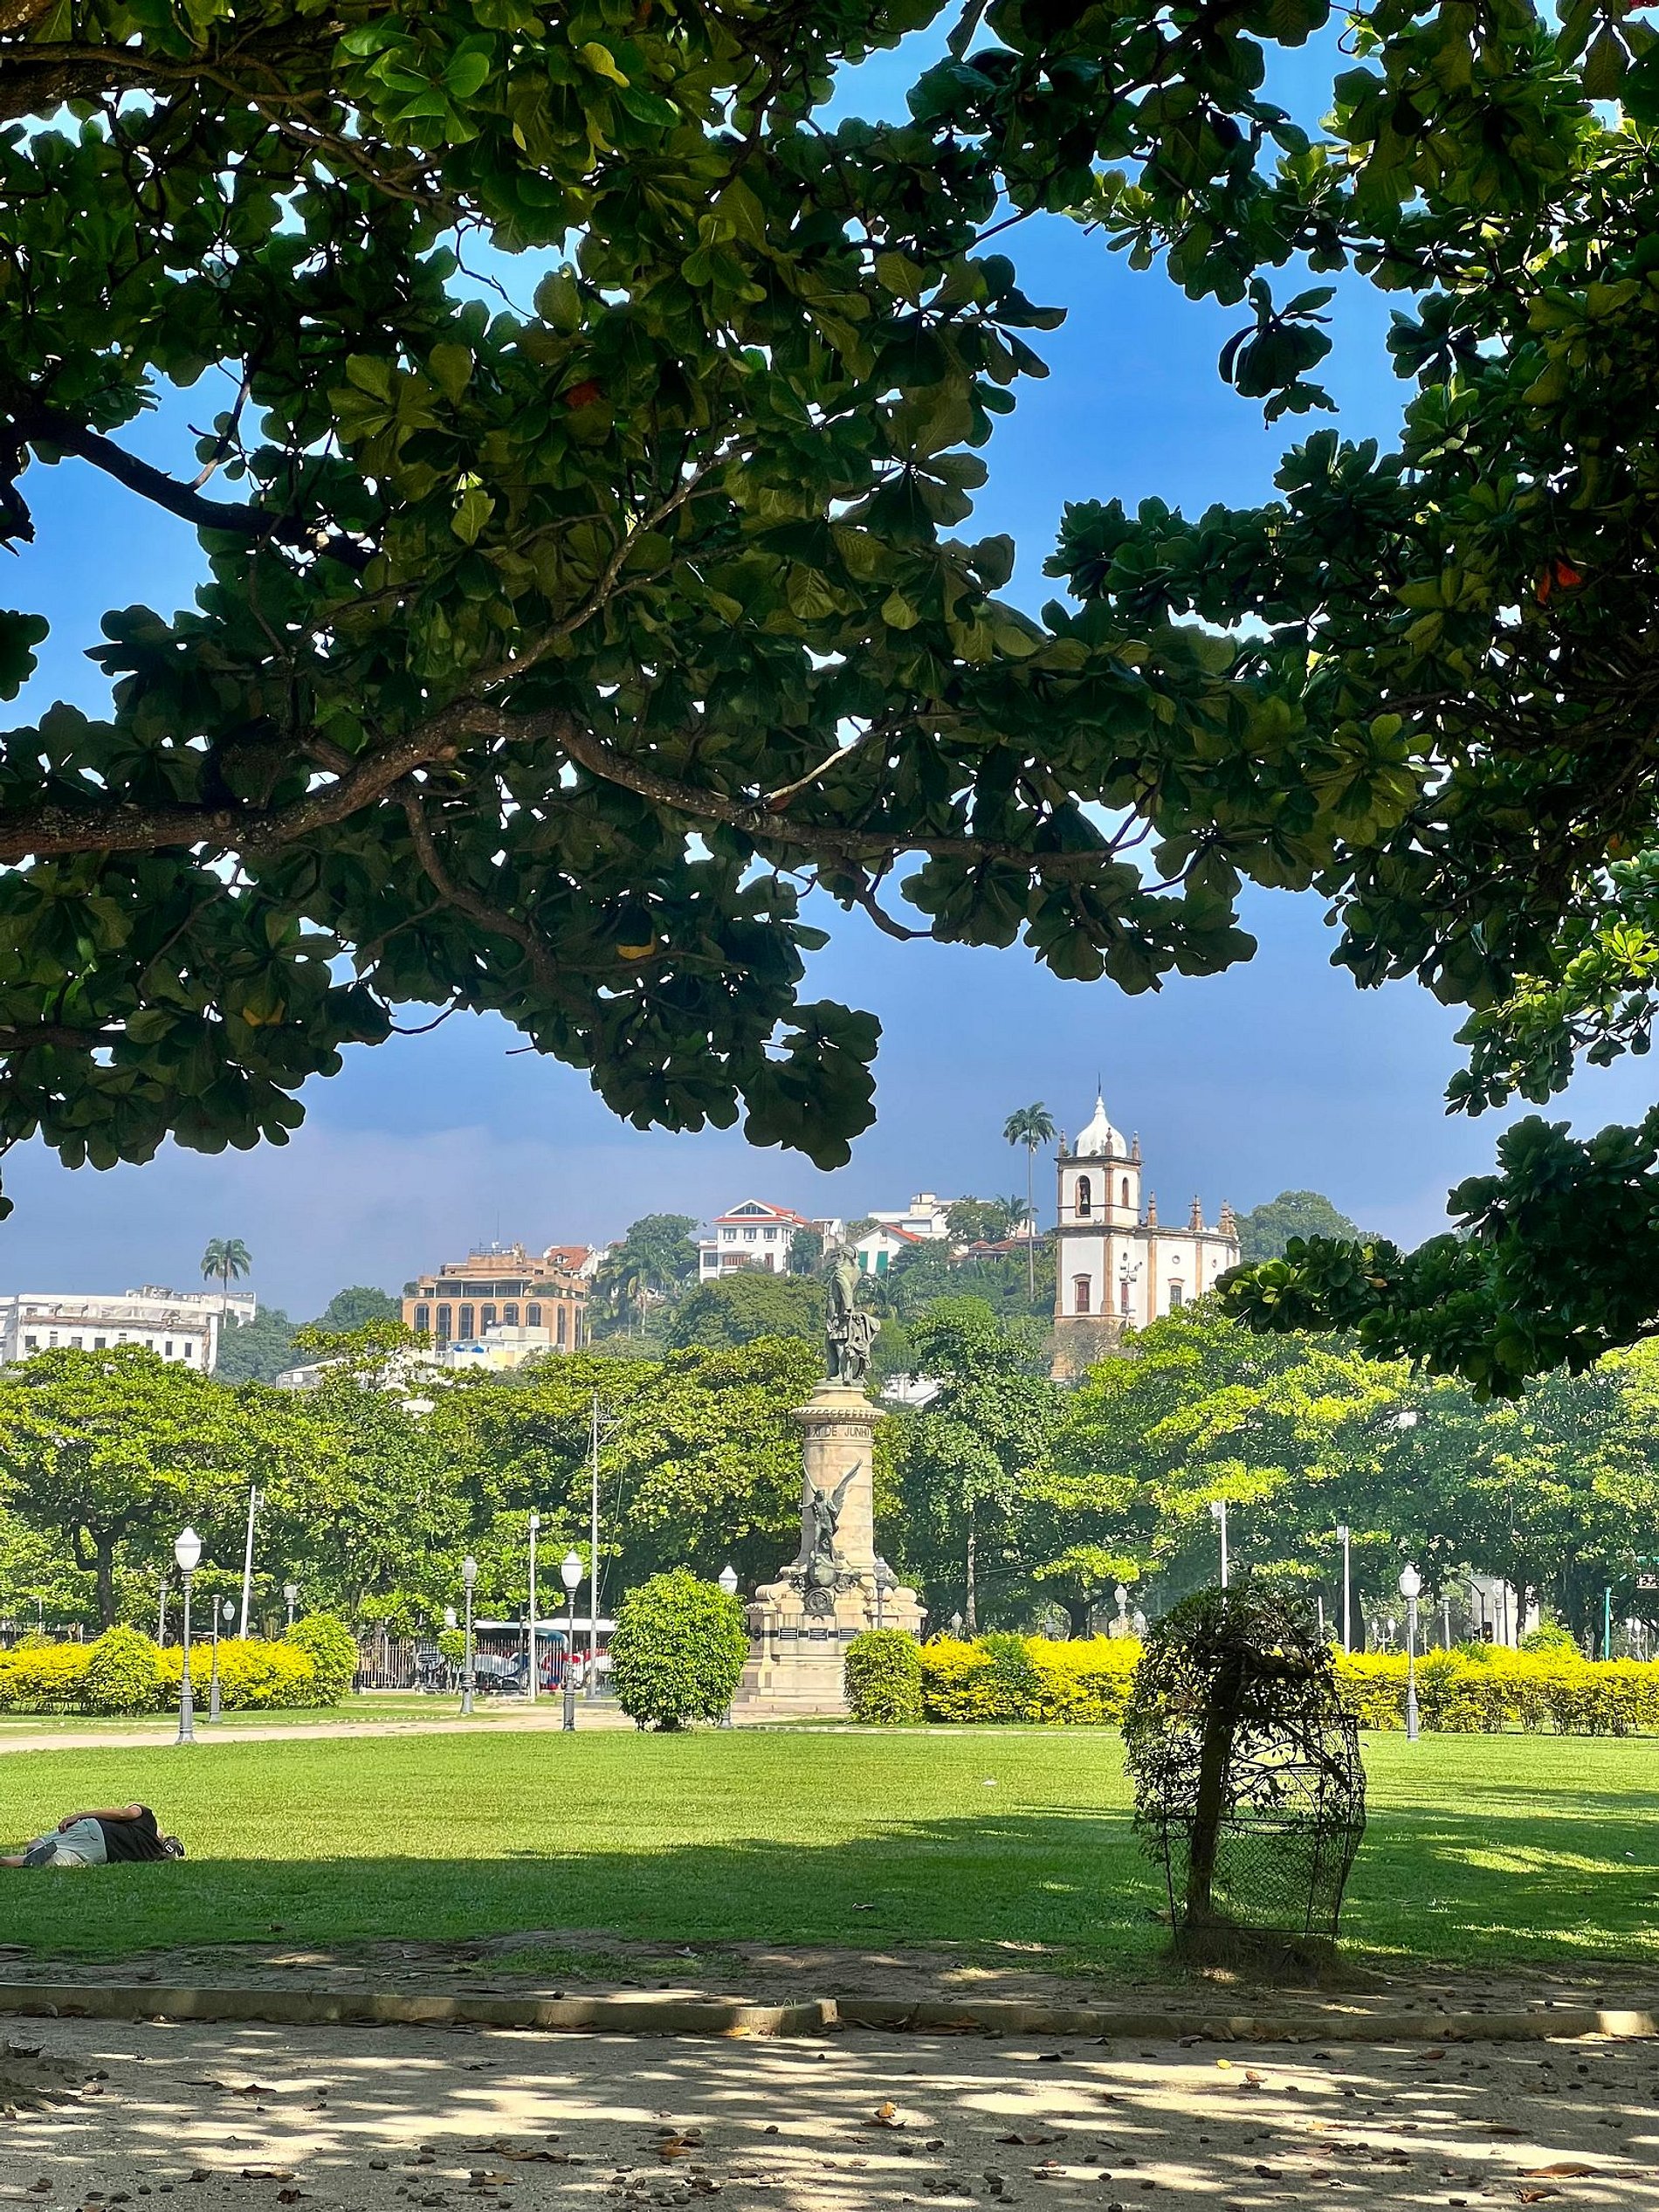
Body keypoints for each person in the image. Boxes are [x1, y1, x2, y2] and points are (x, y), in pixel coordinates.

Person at [2, 1802, 183, 1868]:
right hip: (99, 1852)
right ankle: (8, 1861)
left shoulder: (147, 1816)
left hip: (93, 1828)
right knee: (52, 1860)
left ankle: (35, 1850)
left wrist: (79, 1815)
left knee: (38, 1843)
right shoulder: (150, 1855)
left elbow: (124, 1814)